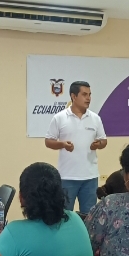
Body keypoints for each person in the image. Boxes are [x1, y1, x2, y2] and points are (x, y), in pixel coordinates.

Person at [45, 81, 107, 215]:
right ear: (73, 96)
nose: (88, 98)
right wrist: (62, 144)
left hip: (90, 177)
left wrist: (99, 144)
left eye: (89, 94)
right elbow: (48, 141)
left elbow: (103, 141)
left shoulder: (95, 118)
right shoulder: (59, 118)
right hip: (67, 176)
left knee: (90, 217)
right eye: (84, 94)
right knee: (64, 216)